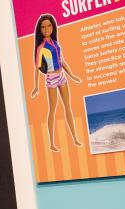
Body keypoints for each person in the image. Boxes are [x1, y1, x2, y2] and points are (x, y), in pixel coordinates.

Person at [28, 13, 83, 152]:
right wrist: (36, 87)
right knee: (52, 110)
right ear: (40, 30)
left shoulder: (56, 43)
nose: (46, 29)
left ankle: (75, 139)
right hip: (51, 78)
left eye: (49, 26)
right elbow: (37, 67)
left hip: (62, 76)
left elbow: (62, 61)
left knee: (68, 107)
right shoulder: (41, 47)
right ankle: (51, 143)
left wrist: (72, 75)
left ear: (53, 27)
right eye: (43, 27)